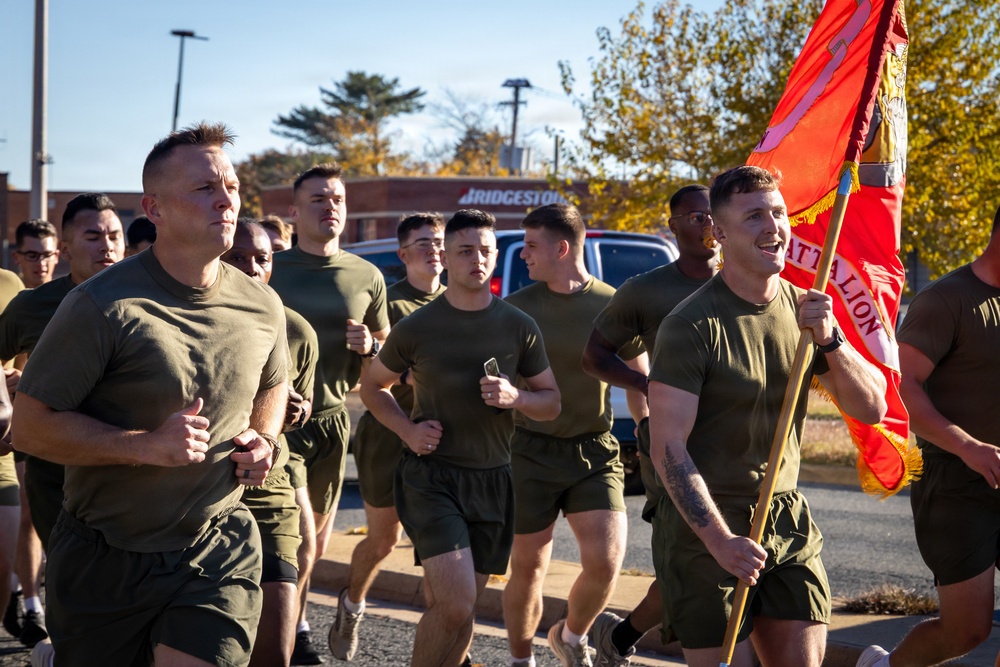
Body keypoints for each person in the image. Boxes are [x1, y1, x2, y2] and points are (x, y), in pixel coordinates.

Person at [10, 122, 288, 667]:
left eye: (231, 187)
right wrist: (144, 446)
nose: (226, 201)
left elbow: (273, 383)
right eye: (205, 189)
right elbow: (30, 427)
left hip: (215, 545)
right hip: (104, 554)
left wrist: (266, 439)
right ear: (154, 208)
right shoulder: (100, 306)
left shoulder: (262, 304)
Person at [648, 165, 887, 667]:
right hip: (707, 525)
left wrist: (832, 340)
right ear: (719, 231)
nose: (773, 227)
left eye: (778, 213)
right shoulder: (689, 324)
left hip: (786, 517)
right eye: (754, 216)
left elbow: (873, 406)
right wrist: (719, 542)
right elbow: (667, 446)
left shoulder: (807, 309)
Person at [361, 209, 560, 667]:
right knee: (453, 602)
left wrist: (517, 398)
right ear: (446, 257)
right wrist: (407, 430)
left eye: (486, 250)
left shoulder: (518, 325)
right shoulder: (418, 326)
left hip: (493, 479)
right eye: (465, 251)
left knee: (462, 609)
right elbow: (374, 387)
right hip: (432, 478)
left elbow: (551, 402)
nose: (478, 259)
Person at [581, 184, 719, 664]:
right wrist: (645, 386)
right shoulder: (647, 289)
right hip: (671, 442)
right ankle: (625, 636)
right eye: (696, 216)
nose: (707, 225)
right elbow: (595, 355)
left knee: (721, 555)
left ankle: (621, 636)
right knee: (691, 555)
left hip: (743, 445)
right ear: (673, 225)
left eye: (712, 215)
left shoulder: (749, 282)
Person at [856, 208, 1000, 667]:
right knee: (968, 628)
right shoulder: (947, 299)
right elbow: (901, 388)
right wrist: (968, 446)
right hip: (957, 482)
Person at [500, 203, 639, 667]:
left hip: (594, 450)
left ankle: (571, 635)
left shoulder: (613, 305)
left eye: (531, 246)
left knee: (604, 562)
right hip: (528, 451)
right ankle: (522, 660)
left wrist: (651, 433)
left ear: (562, 248)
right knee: (529, 568)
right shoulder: (515, 311)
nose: (524, 255)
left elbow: (639, 378)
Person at [268, 163, 389, 665]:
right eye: (317, 198)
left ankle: (290, 619)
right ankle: (292, 637)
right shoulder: (270, 267)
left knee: (314, 544)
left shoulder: (367, 275)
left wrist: (373, 343)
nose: (330, 205)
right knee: (298, 538)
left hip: (334, 421)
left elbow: (388, 362)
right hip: (276, 420)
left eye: (337, 198)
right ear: (294, 212)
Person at [0, 192, 126, 649]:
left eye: (114, 235)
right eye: (93, 236)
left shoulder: (149, 295)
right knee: (80, 586)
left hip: (134, 467)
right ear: (67, 247)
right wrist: (6, 397)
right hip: (57, 473)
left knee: (126, 593)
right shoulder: (32, 307)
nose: (107, 246)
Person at [329, 212, 446, 662]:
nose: (434, 249)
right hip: (387, 434)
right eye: (423, 243)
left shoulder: (460, 302)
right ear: (403, 254)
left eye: (439, 241)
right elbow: (372, 378)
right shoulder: (387, 304)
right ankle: (352, 603)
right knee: (383, 540)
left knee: (438, 543)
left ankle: (447, 639)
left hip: (440, 437)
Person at [222, 218, 318, 667]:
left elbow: (300, 411)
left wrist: (293, 414)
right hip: (200, 492)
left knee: (275, 650)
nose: (251, 267)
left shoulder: (297, 331)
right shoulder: (192, 319)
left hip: (267, 488)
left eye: (261, 259)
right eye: (237, 257)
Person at [11, 220, 59, 289]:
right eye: (32, 256)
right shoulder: (6, 296)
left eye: (47, 255)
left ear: (56, 256)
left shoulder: (70, 297)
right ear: (16, 257)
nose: (41, 263)